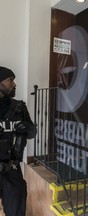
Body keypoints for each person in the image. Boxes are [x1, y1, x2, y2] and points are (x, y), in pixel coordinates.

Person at [0, 66, 36, 216]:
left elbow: (32, 133)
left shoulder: (19, 108)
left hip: (12, 170)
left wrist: (28, 128)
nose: (14, 84)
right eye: (10, 80)